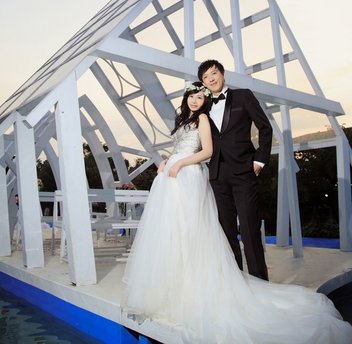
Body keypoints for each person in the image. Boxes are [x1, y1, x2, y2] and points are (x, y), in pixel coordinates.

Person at [123, 82, 352, 344]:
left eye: (200, 97)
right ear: (185, 98)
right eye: (192, 96)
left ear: (205, 101)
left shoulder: (203, 119)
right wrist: (167, 159)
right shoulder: (182, 119)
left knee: (191, 229)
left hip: (188, 175)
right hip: (172, 174)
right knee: (171, 231)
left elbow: (207, 151)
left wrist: (181, 163)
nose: (195, 101)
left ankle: (194, 288)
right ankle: (171, 286)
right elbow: (181, 146)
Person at [198, 59, 272, 280]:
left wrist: (259, 161)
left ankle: (260, 282)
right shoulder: (203, 105)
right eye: (205, 77)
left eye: (214, 73)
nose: (211, 79)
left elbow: (265, 128)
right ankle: (236, 282)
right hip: (217, 174)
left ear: (223, 74)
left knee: (249, 231)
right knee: (226, 233)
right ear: (203, 83)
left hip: (244, 171)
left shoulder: (243, 96)